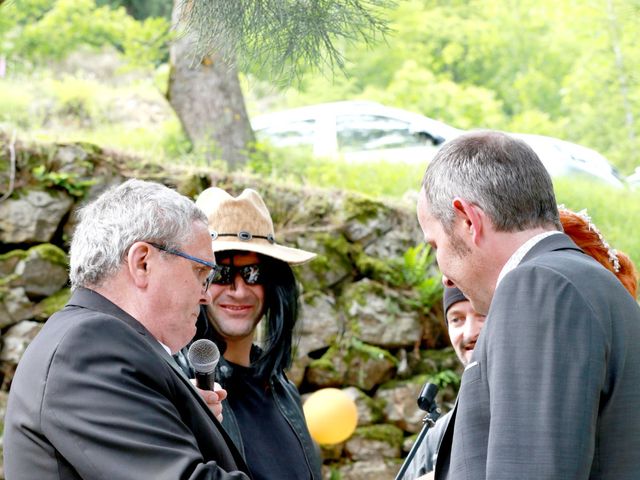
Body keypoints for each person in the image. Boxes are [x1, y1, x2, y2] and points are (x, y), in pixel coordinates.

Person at [416, 130, 640, 479]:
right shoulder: (589, 283)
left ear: (468, 220)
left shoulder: (538, 287)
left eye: (435, 245)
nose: (444, 277)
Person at [3, 179, 251, 480]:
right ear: (143, 262)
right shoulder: (88, 349)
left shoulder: (98, 342)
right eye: (202, 272)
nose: (206, 295)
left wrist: (177, 415)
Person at [176, 187, 323, 480]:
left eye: (253, 274)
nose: (239, 290)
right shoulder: (180, 385)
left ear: (273, 285)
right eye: (221, 274)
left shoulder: (282, 389)